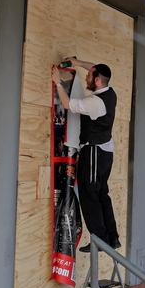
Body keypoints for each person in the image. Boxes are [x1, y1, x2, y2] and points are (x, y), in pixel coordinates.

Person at [50, 58, 121, 252]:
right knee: (101, 194)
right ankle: (112, 238)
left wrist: (57, 81)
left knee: (90, 196)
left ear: (98, 81)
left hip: (94, 153)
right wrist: (77, 62)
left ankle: (99, 240)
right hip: (105, 152)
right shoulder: (110, 92)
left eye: (90, 76)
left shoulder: (95, 103)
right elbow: (95, 68)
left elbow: (66, 103)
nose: (87, 76)